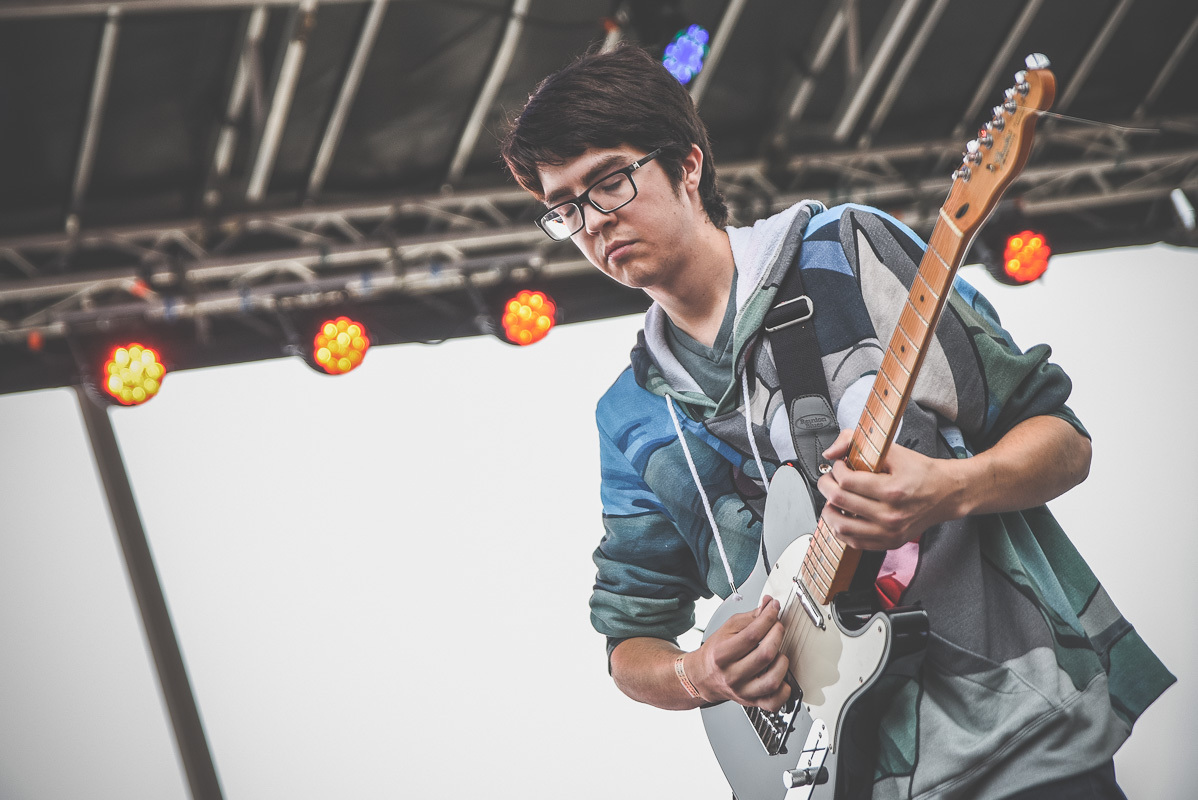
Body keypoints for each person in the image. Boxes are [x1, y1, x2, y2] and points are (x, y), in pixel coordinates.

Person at [500, 45, 1173, 799]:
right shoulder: (632, 415)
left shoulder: (846, 254)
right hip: (827, 780)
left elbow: (1061, 440)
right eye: (566, 207)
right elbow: (630, 637)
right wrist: (695, 674)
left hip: (1020, 740)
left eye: (609, 180)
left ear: (687, 165)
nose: (593, 221)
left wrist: (955, 486)